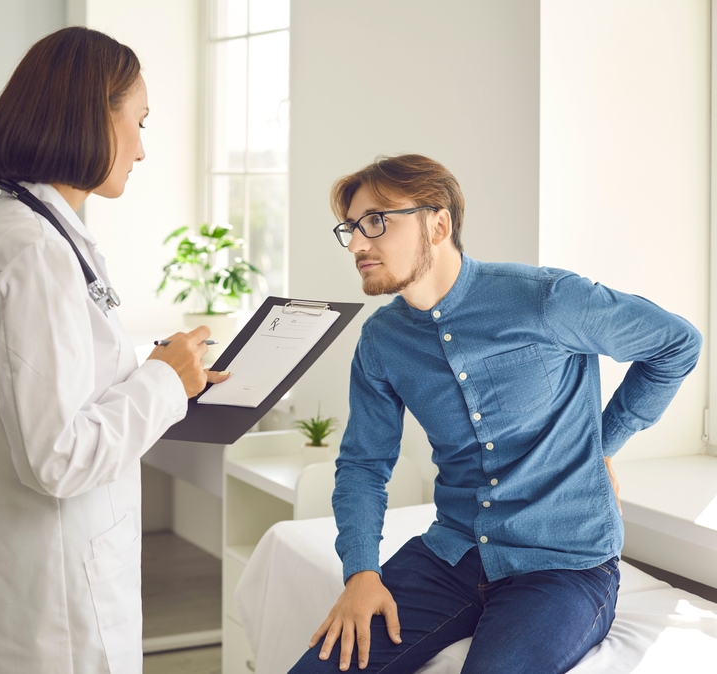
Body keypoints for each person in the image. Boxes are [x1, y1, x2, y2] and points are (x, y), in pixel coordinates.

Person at [290, 154, 701, 674]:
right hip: (451, 554)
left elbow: (676, 344)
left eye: (376, 222)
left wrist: (601, 444)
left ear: (437, 223)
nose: (355, 244)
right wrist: (361, 573)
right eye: (350, 228)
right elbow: (364, 465)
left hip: (564, 565)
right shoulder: (382, 340)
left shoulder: (547, 300)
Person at [0, 27, 228, 674]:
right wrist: (164, 384)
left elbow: (71, 368)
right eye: (139, 122)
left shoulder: (41, 231)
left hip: (49, 572)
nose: (143, 149)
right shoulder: (34, 250)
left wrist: (161, 363)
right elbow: (57, 458)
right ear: (95, 116)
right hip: (49, 600)